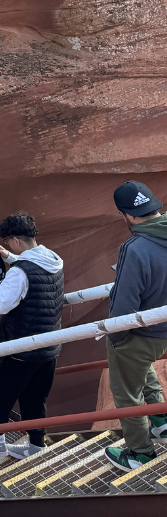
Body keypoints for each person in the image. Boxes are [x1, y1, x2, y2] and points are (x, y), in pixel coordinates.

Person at [0, 213, 64, 460]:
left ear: (13, 239)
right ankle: (36, 445)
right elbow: (35, 273)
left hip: (21, 348)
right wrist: (10, 258)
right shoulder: (54, 259)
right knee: (35, 397)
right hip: (48, 347)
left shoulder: (20, 272)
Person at [103, 181, 167, 472]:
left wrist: (115, 337)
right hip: (163, 332)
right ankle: (161, 421)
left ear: (127, 215)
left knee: (127, 393)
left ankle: (140, 454)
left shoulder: (135, 247)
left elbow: (124, 306)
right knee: (143, 368)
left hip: (140, 333)